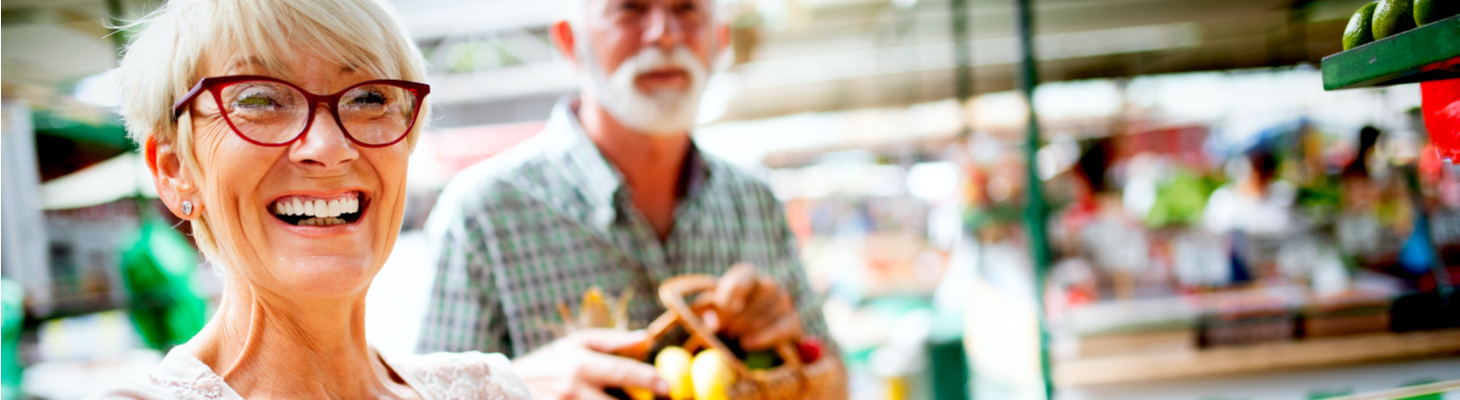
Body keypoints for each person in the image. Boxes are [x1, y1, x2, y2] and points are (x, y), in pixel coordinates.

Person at [89, 0, 531, 398]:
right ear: (175, 170)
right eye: (260, 100)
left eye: (368, 97)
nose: (328, 146)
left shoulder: (489, 389)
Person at [416, 0, 842, 398]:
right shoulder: (483, 214)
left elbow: (835, 380)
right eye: (630, 8)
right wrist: (513, 386)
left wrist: (792, 344)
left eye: (686, 9)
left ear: (719, 40)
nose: (664, 34)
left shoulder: (754, 203)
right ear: (570, 42)